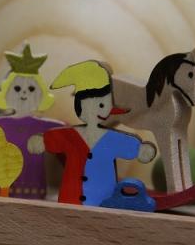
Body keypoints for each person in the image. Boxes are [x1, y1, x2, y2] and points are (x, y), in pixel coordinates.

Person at [28, 60, 156, 205]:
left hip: (103, 201)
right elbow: (52, 140)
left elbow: (129, 146)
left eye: (104, 104)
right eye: (96, 104)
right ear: (80, 105)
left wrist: (140, 149)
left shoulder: (110, 138)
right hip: (71, 199)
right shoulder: (70, 135)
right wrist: (41, 142)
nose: (100, 109)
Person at [0, 44, 65, 199]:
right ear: (5, 93)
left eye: (31, 89)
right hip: (6, 183)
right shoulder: (2, 123)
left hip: (34, 185)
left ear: (41, 95)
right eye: (17, 89)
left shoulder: (41, 125)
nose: (24, 93)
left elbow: (62, 131)